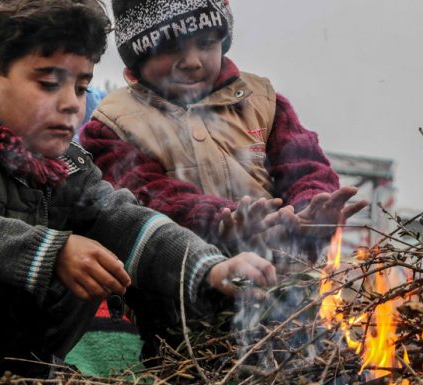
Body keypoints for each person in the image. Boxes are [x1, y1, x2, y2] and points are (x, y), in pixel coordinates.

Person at [0, 1, 276, 384]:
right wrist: (49, 252)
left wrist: (210, 267)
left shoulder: (65, 165)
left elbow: (124, 220)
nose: (71, 104)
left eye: (81, 87)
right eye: (49, 83)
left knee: (101, 250)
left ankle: (29, 375)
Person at [81, 0, 367, 263]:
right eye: (171, 47)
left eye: (206, 43)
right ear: (138, 54)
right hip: (178, 291)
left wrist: (309, 207)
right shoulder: (113, 125)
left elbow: (305, 167)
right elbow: (147, 197)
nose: (192, 61)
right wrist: (220, 219)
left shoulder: (262, 102)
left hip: (282, 287)